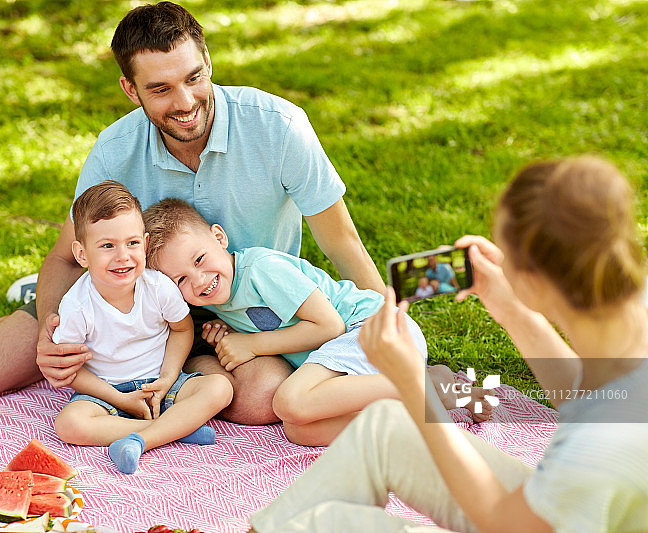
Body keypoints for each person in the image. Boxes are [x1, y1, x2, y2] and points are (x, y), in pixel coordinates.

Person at [0, 2, 385, 427]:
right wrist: (52, 327)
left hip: (241, 310)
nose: (185, 102)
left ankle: (182, 364)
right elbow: (67, 257)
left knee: (261, 399)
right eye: (160, 89)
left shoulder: (279, 127)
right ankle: (95, 324)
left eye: (193, 78)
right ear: (131, 89)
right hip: (132, 297)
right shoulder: (115, 150)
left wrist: (386, 328)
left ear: (208, 62)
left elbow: (340, 240)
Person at [248, 156, 648, 532]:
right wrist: (507, 306)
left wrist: (414, 385)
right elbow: (590, 396)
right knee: (384, 426)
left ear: (535, 279)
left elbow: (503, 520)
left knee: (330, 524)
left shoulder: (597, 447)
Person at [142, 198, 491, 446]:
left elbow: (330, 326)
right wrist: (230, 333)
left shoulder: (261, 270)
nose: (199, 280)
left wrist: (252, 344)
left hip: (371, 330)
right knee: (299, 430)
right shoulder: (221, 297)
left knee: (289, 402)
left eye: (200, 259)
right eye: (180, 281)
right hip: (351, 360)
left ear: (220, 238)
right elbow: (269, 322)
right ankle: (430, 400)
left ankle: (424, 389)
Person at [49, 181, 232, 474]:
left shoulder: (158, 287)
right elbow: (71, 370)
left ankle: (142, 437)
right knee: (69, 424)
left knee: (219, 387)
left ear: (145, 244)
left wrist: (167, 377)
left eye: (132, 243)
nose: (123, 256)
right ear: (82, 254)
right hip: (106, 393)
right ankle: (172, 428)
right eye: (107, 246)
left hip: (163, 385)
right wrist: (120, 399)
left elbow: (182, 329)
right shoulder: (77, 305)